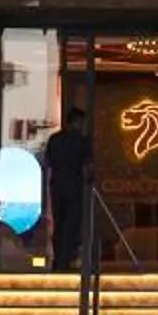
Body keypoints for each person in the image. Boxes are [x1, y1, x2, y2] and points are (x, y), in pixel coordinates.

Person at [44, 109, 94, 266]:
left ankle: (58, 259)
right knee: (71, 225)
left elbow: (48, 162)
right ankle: (66, 259)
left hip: (57, 186)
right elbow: (88, 168)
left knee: (59, 223)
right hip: (74, 187)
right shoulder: (82, 141)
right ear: (77, 122)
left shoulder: (55, 139)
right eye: (82, 122)